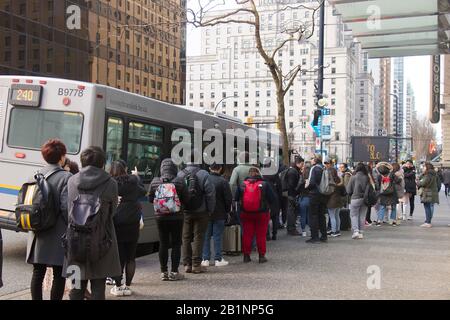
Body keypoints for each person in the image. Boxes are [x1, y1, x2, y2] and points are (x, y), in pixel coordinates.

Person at [64, 146, 121, 300]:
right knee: (98, 290)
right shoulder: (111, 183)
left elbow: (68, 208)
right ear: (102, 163)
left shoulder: (71, 181)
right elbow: (112, 212)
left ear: (82, 162)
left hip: (75, 243)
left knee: (76, 289)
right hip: (101, 242)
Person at [26, 139, 72, 300]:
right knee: (59, 274)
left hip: (37, 230)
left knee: (38, 272)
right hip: (57, 232)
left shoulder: (36, 174)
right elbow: (66, 208)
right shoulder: (66, 177)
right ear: (61, 157)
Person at [149, 159, 190, 281]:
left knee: (163, 243)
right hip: (177, 217)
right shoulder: (180, 181)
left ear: (162, 169)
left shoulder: (155, 182)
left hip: (160, 217)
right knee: (176, 243)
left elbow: (150, 199)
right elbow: (187, 200)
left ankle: (163, 272)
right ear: (174, 168)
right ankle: (174, 272)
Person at [109, 161, 146, 296]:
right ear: (125, 169)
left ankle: (118, 287)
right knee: (131, 257)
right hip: (133, 223)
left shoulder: (111, 183)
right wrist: (137, 176)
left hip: (117, 224)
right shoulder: (134, 181)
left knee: (118, 257)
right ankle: (127, 286)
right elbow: (143, 192)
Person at [178, 152, 216, 274]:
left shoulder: (180, 174)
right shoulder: (204, 174)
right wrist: (210, 209)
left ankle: (187, 265)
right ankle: (196, 265)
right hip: (201, 211)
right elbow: (210, 194)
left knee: (186, 237)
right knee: (199, 237)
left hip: (186, 211)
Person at [235, 168, 276, 263]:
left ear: (249, 174)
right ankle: (261, 256)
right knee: (261, 235)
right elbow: (273, 198)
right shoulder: (265, 184)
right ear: (258, 174)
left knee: (247, 234)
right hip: (262, 213)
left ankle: (246, 256)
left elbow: (236, 198)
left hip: (246, 213)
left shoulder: (242, 184)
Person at [201, 163, 232, 267]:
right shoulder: (223, 181)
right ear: (220, 169)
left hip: (206, 213)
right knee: (217, 236)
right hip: (220, 213)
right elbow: (228, 199)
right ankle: (218, 259)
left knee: (206, 236)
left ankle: (205, 259)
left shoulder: (205, 179)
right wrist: (227, 211)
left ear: (210, 168)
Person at [306, 155, 328, 243]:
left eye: (311, 158)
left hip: (314, 194)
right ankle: (324, 235)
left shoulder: (314, 168)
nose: (310, 160)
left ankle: (314, 237)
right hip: (323, 194)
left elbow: (312, 183)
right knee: (321, 215)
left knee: (313, 215)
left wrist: (306, 186)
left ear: (315, 160)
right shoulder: (323, 168)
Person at [346, 162, 370, 239]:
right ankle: (361, 232)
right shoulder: (367, 177)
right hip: (365, 199)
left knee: (354, 215)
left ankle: (356, 231)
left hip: (355, 198)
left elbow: (348, 190)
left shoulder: (353, 177)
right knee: (362, 216)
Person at [374, 162, 401, 227]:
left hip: (383, 193)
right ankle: (393, 221)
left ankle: (379, 221)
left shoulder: (379, 176)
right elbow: (398, 181)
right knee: (393, 207)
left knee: (382, 207)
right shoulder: (392, 174)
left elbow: (377, 186)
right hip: (392, 193)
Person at [285, 157, 305, 236]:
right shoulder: (293, 171)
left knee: (292, 212)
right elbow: (292, 185)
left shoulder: (294, 170)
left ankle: (291, 228)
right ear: (298, 163)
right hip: (291, 195)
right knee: (292, 212)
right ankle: (291, 229)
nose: (302, 166)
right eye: (302, 164)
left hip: (291, 194)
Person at [262, 159, 281, 241]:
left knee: (266, 216)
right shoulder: (275, 172)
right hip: (274, 196)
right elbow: (279, 185)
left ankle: (267, 235)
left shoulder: (262, 172)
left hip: (265, 197)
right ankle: (274, 234)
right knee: (275, 216)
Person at [417, 162, 439, 228]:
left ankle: (428, 222)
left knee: (427, 207)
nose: (423, 168)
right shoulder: (433, 174)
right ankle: (428, 221)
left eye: (424, 167)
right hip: (432, 192)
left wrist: (418, 183)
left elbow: (423, 183)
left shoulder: (428, 175)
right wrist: (423, 173)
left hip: (427, 193)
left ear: (427, 168)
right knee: (429, 207)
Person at [325, 160, 343, 237]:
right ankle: (337, 230)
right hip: (338, 200)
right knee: (337, 216)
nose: (326, 165)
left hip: (331, 200)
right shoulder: (338, 179)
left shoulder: (329, 182)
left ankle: (334, 231)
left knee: (332, 216)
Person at [297, 161, 311, 237]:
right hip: (310, 198)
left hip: (303, 198)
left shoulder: (301, 179)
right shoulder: (311, 179)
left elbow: (298, 188)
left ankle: (303, 231)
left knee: (303, 215)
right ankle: (310, 230)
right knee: (309, 215)